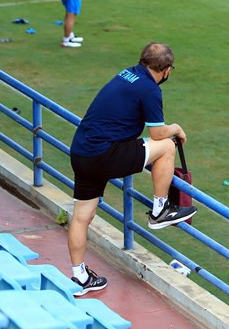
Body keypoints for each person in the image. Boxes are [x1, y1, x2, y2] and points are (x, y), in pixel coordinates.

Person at [68, 43, 197, 295]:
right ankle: (160, 209)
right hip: (106, 154)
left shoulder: (125, 73)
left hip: (81, 151)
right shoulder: (150, 89)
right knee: (167, 147)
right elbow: (158, 133)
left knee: (81, 217)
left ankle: (80, 277)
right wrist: (177, 128)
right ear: (167, 70)